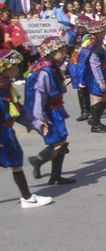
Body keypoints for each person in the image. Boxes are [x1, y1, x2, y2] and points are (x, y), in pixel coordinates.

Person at [0, 49, 53, 208]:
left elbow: (19, 111)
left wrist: (37, 124)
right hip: (3, 135)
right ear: (5, 68)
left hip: (7, 132)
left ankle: (27, 197)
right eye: (15, 66)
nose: (18, 69)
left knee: (16, 162)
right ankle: (27, 198)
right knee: (15, 162)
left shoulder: (6, 87)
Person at [24, 37, 75, 186]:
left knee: (60, 140)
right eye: (61, 52)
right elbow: (40, 96)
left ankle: (40, 162)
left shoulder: (53, 68)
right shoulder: (45, 72)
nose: (64, 54)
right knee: (59, 141)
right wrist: (40, 118)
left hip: (56, 108)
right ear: (51, 53)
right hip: (49, 111)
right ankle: (54, 175)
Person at [77, 20, 106, 133]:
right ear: (98, 33)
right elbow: (94, 65)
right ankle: (95, 124)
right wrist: (100, 81)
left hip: (104, 73)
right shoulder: (91, 46)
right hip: (96, 76)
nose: (105, 33)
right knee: (98, 98)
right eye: (103, 31)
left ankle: (95, 119)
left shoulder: (100, 43)